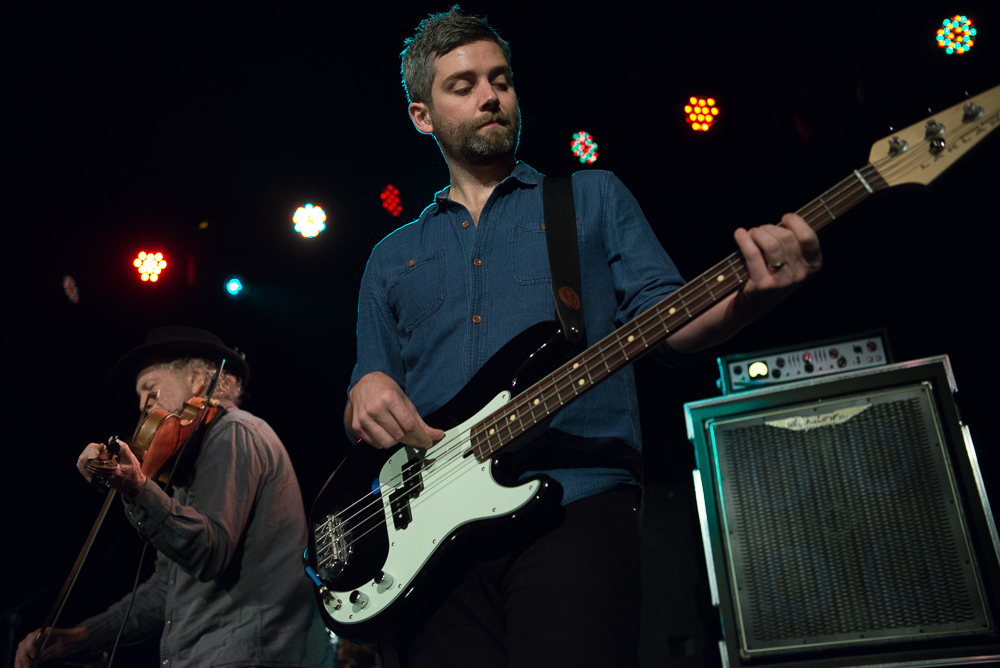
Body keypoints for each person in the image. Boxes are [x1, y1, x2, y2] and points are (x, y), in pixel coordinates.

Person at [344, 7, 822, 667]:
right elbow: (370, 395)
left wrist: (748, 301)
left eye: (501, 80)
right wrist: (364, 389)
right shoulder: (389, 257)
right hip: (430, 543)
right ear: (422, 115)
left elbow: (668, 324)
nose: (491, 96)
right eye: (464, 85)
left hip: (573, 501)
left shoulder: (591, 197)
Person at [16, 326, 333, 668]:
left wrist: (137, 488)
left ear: (197, 379)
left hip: (250, 656)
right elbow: (163, 590)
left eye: (151, 388)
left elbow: (210, 550)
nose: (142, 404)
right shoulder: (188, 463)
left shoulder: (233, 431)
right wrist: (81, 636)